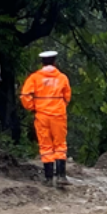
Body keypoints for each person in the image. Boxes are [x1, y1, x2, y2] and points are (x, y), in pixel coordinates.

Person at [21, 50, 72, 187]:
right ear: (55, 62)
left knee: (45, 145)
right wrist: (60, 105)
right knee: (60, 145)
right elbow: (67, 96)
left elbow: (25, 95)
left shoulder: (34, 78)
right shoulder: (62, 77)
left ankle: (48, 178)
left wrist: (32, 107)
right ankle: (61, 176)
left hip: (42, 116)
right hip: (58, 115)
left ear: (42, 63)